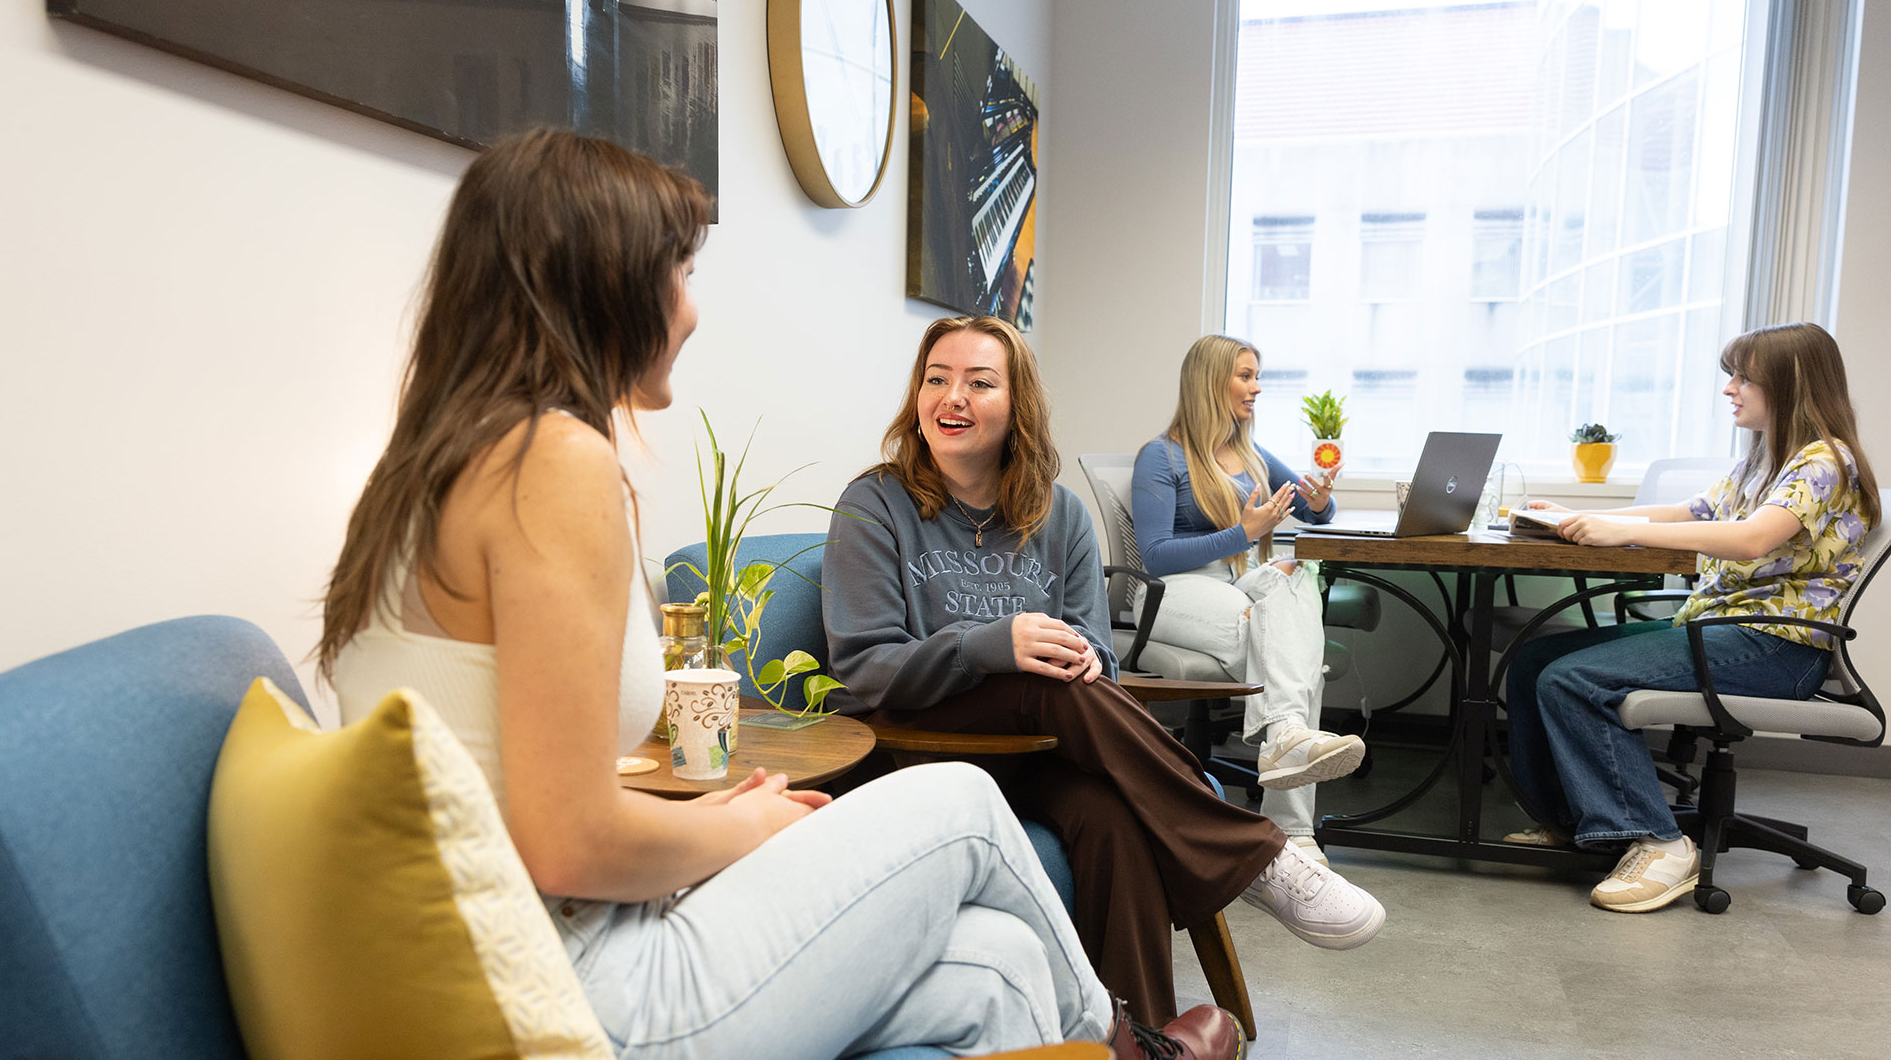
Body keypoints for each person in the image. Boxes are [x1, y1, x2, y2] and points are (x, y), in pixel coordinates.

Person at [316, 131, 1244, 1060]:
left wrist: (709, 816)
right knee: (962, 801)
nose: (691, 312)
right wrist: (745, 830)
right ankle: (1131, 1046)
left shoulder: (431, 466)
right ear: (604, 282)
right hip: (571, 987)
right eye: (682, 273)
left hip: (543, 938)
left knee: (1001, 965)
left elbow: (522, 788)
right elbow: (566, 842)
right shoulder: (552, 464)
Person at [822, 314, 1386, 1027]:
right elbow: (865, 668)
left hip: (1034, 752)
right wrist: (991, 645)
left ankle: (1136, 1038)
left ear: (1018, 404)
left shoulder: (1060, 514)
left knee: (1114, 815)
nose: (952, 397)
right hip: (918, 743)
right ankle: (1258, 855)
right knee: (1037, 674)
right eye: (937, 379)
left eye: (979, 382)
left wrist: (1082, 655)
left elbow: (1100, 657)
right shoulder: (874, 504)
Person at [1503, 322, 1878, 913]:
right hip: (1718, 630)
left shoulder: (1825, 461)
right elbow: (1689, 512)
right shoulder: (1763, 459)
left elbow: (1752, 539)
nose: (1730, 389)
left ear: (1789, 383)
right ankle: (1574, 822)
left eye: (1744, 378)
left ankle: (1659, 842)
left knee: (1574, 679)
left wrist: (1619, 531)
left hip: (1776, 646)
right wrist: (1579, 516)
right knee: (1533, 660)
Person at [1130, 334, 1367, 866]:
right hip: (1174, 590)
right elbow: (1156, 556)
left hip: (1236, 582)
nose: (1256, 387)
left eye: (1257, 376)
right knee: (1296, 655)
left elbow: (1314, 511)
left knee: (1297, 578)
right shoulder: (1160, 457)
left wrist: (1321, 501)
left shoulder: (1250, 454)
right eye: (1245, 375)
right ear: (1211, 382)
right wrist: (1243, 534)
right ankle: (1294, 832)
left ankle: (1286, 743)